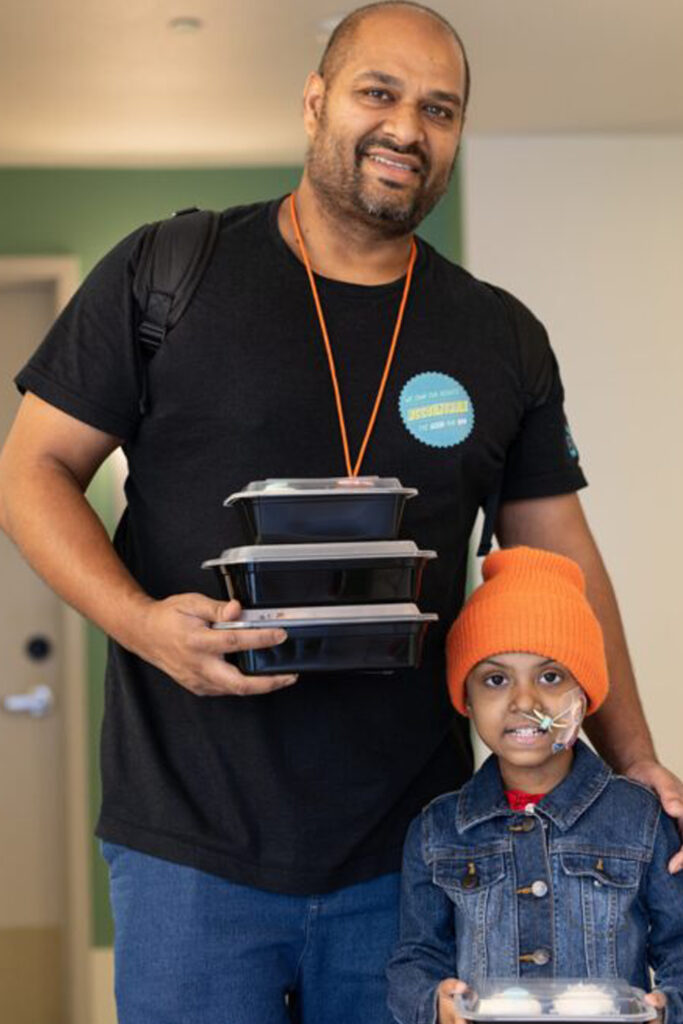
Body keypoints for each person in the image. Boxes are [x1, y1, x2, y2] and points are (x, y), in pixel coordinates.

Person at [0, 3, 681, 1023]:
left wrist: (633, 762)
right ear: (315, 102)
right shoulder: (167, 274)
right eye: (378, 92)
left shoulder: (498, 337)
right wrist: (141, 624)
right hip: (189, 846)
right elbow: (30, 471)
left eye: (439, 109)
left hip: (419, 855)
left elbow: (561, 568)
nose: (406, 127)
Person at [387, 546, 683, 1024]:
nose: (525, 701)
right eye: (495, 679)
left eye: (550, 676)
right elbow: (415, 960)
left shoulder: (643, 820)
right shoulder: (436, 831)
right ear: (466, 699)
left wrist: (669, 1009)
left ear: (586, 692)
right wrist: (433, 1003)